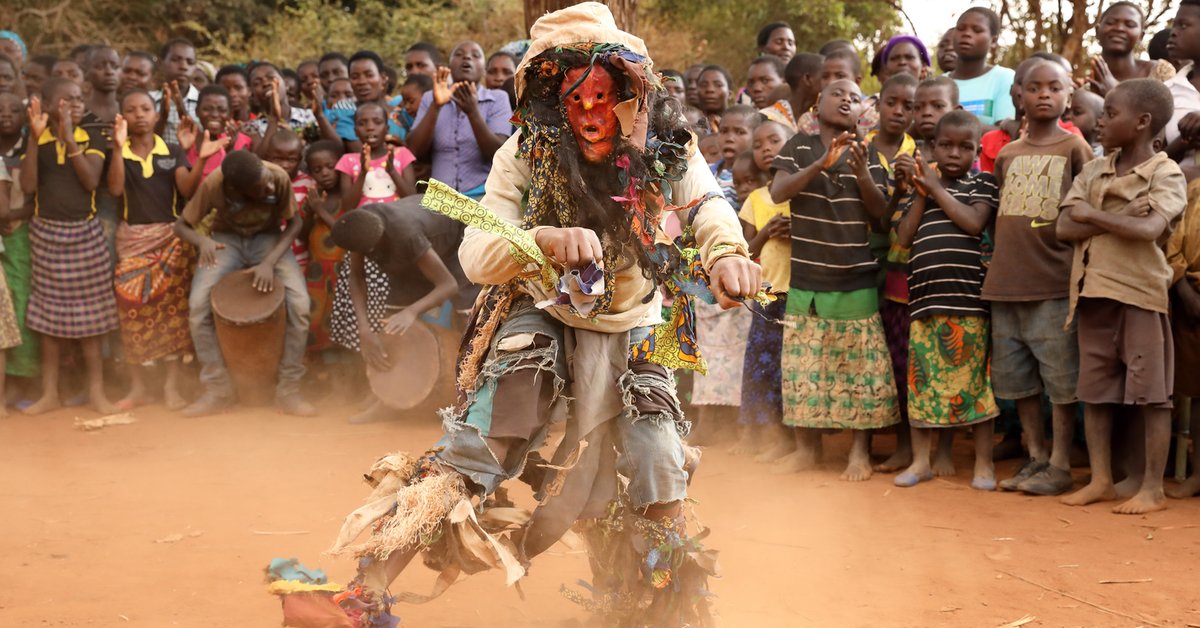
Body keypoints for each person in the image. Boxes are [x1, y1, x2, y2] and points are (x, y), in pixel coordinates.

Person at [277, 5, 762, 625]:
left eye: (606, 92)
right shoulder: (520, 155)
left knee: (658, 474)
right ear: (547, 96)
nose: (592, 110)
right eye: (575, 94)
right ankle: (360, 597)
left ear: (633, 89)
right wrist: (542, 240)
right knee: (479, 448)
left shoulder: (670, 145)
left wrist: (727, 254)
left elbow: (709, 205)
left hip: (638, 328)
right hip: (540, 320)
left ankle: (645, 614)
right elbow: (476, 250)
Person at [1056, 79, 1186, 514]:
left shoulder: (1166, 173)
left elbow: (1148, 229)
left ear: (1143, 122)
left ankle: (1152, 488)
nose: (1100, 122)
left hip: (1140, 296)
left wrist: (1093, 214)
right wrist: (1115, 216)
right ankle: (1101, 480)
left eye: (1111, 113)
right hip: (1092, 293)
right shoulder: (1094, 169)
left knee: (1152, 397)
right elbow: (1063, 228)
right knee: (1094, 393)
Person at [770, 79, 898, 480]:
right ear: (818, 103)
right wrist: (820, 163)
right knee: (803, 370)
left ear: (862, 111)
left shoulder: (870, 153)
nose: (846, 99)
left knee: (860, 372)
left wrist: (861, 173)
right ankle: (807, 451)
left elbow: (881, 214)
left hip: (855, 278)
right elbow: (777, 192)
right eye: (837, 93)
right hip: (807, 278)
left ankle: (859, 453)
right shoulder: (798, 147)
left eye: (855, 97)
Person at [986, 60, 1094, 496]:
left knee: (1062, 382)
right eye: (1034, 88)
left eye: (1054, 87)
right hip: (1006, 285)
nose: (1044, 95)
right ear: (1019, 95)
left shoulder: (1075, 149)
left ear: (1069, 94)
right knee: (1018, 382)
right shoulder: (1007, 153)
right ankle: (1035, 458)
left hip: (1053, 284)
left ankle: (1062, 464)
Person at [891, 110, 1000, 489]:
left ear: (977, 150)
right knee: (922, 386)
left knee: (975, 386)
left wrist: (936, 188)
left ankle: (984, 464)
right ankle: (922, 462)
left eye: (965, 146)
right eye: (946, 145)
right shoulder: (920, 189)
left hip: (969, 303)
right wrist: (923, 191)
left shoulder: (981, 184)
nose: (955, 153)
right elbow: (904, 238)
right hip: (923, 304)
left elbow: (973, 223)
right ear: (933, 147)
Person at [173, 149, 314, 417]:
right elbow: (180, 226)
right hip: (227, 241)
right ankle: (218, 390)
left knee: (300, 304)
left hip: (268, 241)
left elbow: (294, 224)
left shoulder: (278, 176)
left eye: (267, 180)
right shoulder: (215, 183)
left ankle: (288, 390)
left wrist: (269, 263)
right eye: (262, 188)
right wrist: (203, 241)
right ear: (236, 190)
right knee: (197, 307)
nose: (270, 186)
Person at [106, 89, 212, 410]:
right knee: (130, 312)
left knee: (173, 317)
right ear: (122, 117)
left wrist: (201, 157)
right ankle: (138, 387)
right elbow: (113, 188)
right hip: (133, 242)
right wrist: (116, 148)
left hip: (171, 241)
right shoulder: (118, 151)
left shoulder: (174, 151)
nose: (139, 114)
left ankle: (171, 388)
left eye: (145, 109)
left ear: (155, 115)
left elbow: (187, 189)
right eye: (131, 110)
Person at [19, 78, 118, 415]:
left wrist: (70, 136)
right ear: (47, 104)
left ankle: (96, 392)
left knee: (91, 322)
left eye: (78, 99)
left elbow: (91, 180)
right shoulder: (37, 136)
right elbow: (29, 185)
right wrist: (34, 140)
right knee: (49, 322)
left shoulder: (91, 135)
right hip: (46, 234)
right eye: (65, 101)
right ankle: (49, 393)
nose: (74, 105)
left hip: (84, 234)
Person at [331, 195, 467, 423]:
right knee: (391, 324)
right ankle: (387, 400)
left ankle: (472, 404)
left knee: (471, 322)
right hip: (415, 247)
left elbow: (448, 285)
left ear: (377, 243)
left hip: (456, 243)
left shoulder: (406, 234)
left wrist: (411, 312)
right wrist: (363, 329)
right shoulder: (361, 224)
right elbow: (356, 276)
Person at [866, 72, 919, 473]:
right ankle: (863, 443)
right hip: (865, 265)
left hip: (905, 271)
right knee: (871, 357)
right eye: (892, 103)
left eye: (909, 106)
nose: (899, 111)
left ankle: (905, 445)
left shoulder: (919, 154)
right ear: (879, 103)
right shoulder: (861, 149)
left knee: (901, 360)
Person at [734, 120, 795, 459]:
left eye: (775, 140)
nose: (767, 148)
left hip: (798, 295)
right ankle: (765, 436)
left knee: (789, 368)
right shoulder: (756, 198)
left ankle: (787, 440)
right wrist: (769, 231)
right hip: (767, 296)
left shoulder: (801, 193)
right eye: (759, 144)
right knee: (762, 368)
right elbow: (744, 248)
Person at [689, 148, 757, 444]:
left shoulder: (752, 203)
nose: (743, 187)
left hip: (740, 277)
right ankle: (707, 422)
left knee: (741, 356)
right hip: (705, 279)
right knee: (705, 353)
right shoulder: (702, 180)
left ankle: (739, 428)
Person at [406, 41, 511, 198]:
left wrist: (473, 113)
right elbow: (414, 150)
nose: (467, 57)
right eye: (459, 54)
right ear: (449, 66)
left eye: (475, 55)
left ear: (484, 70)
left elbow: (498, 154)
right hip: (439, 199)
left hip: (484, 197)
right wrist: (436, 106)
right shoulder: (430, 98)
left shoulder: (498, 99)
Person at [1166, 178, 1200, 500]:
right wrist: (1186, 293)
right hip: (1194, 302)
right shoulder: (1192, 190)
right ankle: (1198, 474)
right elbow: (1173, 246)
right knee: (1198, 394)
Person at [299, 140, 344, 355]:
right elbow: (302, 235)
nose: (325, 173)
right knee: (314, 316)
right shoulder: (315, 198)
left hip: (340, 270)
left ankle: (338, 364)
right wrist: (310, 210)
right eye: (317, 170)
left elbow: (344, 235)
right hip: (317, 269)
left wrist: (320, 209)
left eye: (330, 167)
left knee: (337, 317)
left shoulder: (347, 197)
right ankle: (316, 362)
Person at [1088, 2, 1176, 98]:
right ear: (1097, 31)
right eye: (1111, 23)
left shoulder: (1161, 73)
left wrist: (1115, 92)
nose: (1119, 28)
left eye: (1130, 25)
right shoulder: (1089, 86)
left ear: (1141, 36)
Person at [948, 7, 1015, 127]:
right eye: (961, 29)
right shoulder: (940, 82)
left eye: (977, 30)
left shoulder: (1005, 78)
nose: (966, 34)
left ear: (993, 41)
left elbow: (1004, 134)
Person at [184, 85, 252, 180]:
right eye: (207, 109)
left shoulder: (241, 141)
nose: (215, 115)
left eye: (222, 110)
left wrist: (231, 149)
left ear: (230, 114)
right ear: (196, 111)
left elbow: (241, 181)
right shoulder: (188, 140)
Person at [1165, 1, 1200, 165]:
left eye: (1183, 25)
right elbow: (1150, 162)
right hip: (1179, 186)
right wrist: (1184, 141)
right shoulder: (1166, 91)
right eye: (1174, 25)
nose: (1172, 33)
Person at [152, 38, 199, 145]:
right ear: (160, 63)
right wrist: (162, 117)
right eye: (176, 60)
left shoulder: (204, 102)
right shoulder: (149, 101)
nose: (183, 66)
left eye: (190, 62)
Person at [762, 53, 821, 133]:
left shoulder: (819, 119)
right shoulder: (767, 117)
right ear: (807, 79)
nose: (832, 82)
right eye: (825, 76)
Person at [712, 104, 757, 205]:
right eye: (724, 131)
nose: (729, 138)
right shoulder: (706, 171)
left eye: (740, 132)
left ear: (756, 137)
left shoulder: (754, 176)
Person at [912, 75, 959, 146]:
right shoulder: (906, 151)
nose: (926, 113)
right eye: (918, 107)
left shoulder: (966, 154)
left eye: (938, 106)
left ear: (957, 111)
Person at [1066, 88, 1104, 155]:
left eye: (1077, 113)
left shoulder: (1103, 154)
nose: (1067, 117)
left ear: (1098, 123)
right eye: (1065, 113)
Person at [695, 64, 732, 132]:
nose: (710, 89)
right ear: (696, 92)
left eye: (718, 85)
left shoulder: (743, 124)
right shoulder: (689, 126)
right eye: (704, 85)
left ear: (729, 94)